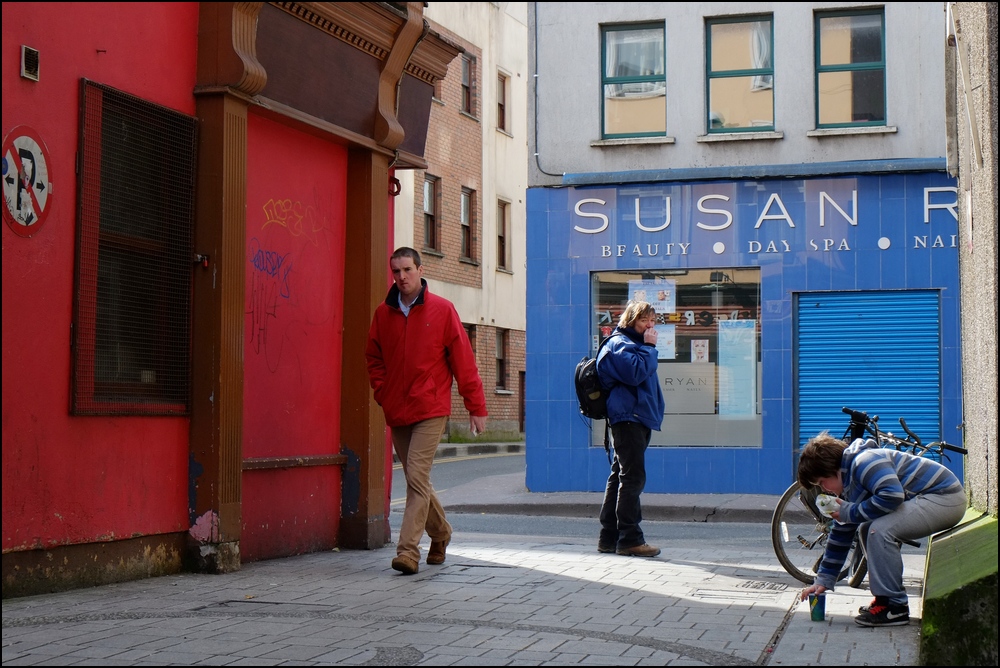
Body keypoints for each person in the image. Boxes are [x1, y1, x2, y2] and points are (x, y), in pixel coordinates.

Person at [365, 247, 488, 575]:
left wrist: (476, 407)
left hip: (431, 408)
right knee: (417, 478)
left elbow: (464, 363)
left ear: (420, 270)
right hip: (397, 408)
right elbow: (373, 359)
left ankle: (407, 551)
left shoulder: (443, 311)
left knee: (416, 476)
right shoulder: (383, 314)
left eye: (407, 269)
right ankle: (442, 533)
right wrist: (383, 392)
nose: (401, 277)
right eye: (396, 271)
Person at [797, 432, 967, 627]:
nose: (825, 490)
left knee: (879, 530)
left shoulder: (864, 462)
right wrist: (823, 580)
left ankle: (895, 607)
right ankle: (884, 600)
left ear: (832, 469)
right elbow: (841, 531)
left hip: (945, 498)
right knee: (867, 528)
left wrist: (850, 511)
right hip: (933, 499)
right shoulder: (852, 480)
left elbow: (892, 496)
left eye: (821, 483)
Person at [595, 300, 665, 558]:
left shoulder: (631, 344)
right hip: (628, 418)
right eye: (644, 320)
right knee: (632, 477)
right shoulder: (620, 344)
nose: (650, 326)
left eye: (653, 321)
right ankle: (630, 539)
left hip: (635, 416)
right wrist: (649, 347)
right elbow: (635, 373)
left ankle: (609, 537)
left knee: (621, 475)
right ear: (630, 320)